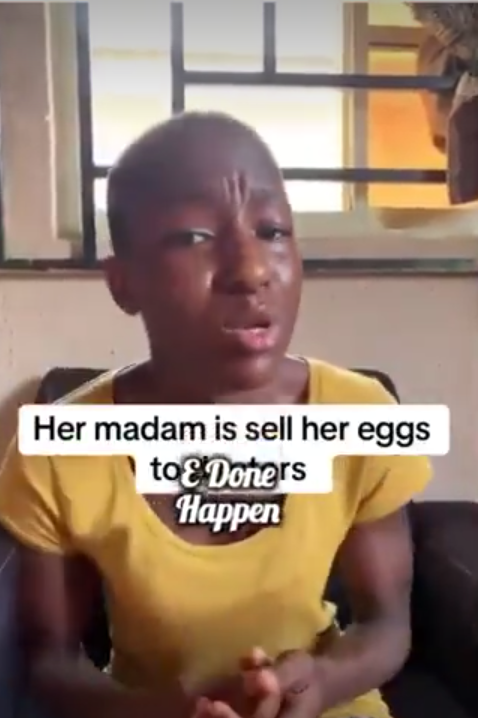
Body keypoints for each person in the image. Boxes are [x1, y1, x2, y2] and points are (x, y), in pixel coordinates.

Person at [0, 110, 431, 718]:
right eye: (193, 237)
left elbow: (386, 624)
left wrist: (321, 683)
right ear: (123, 283)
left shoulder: (360, 416)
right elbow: (49, 661)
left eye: (273, 230)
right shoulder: (57, 451)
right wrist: (163, 712)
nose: (252, 271)